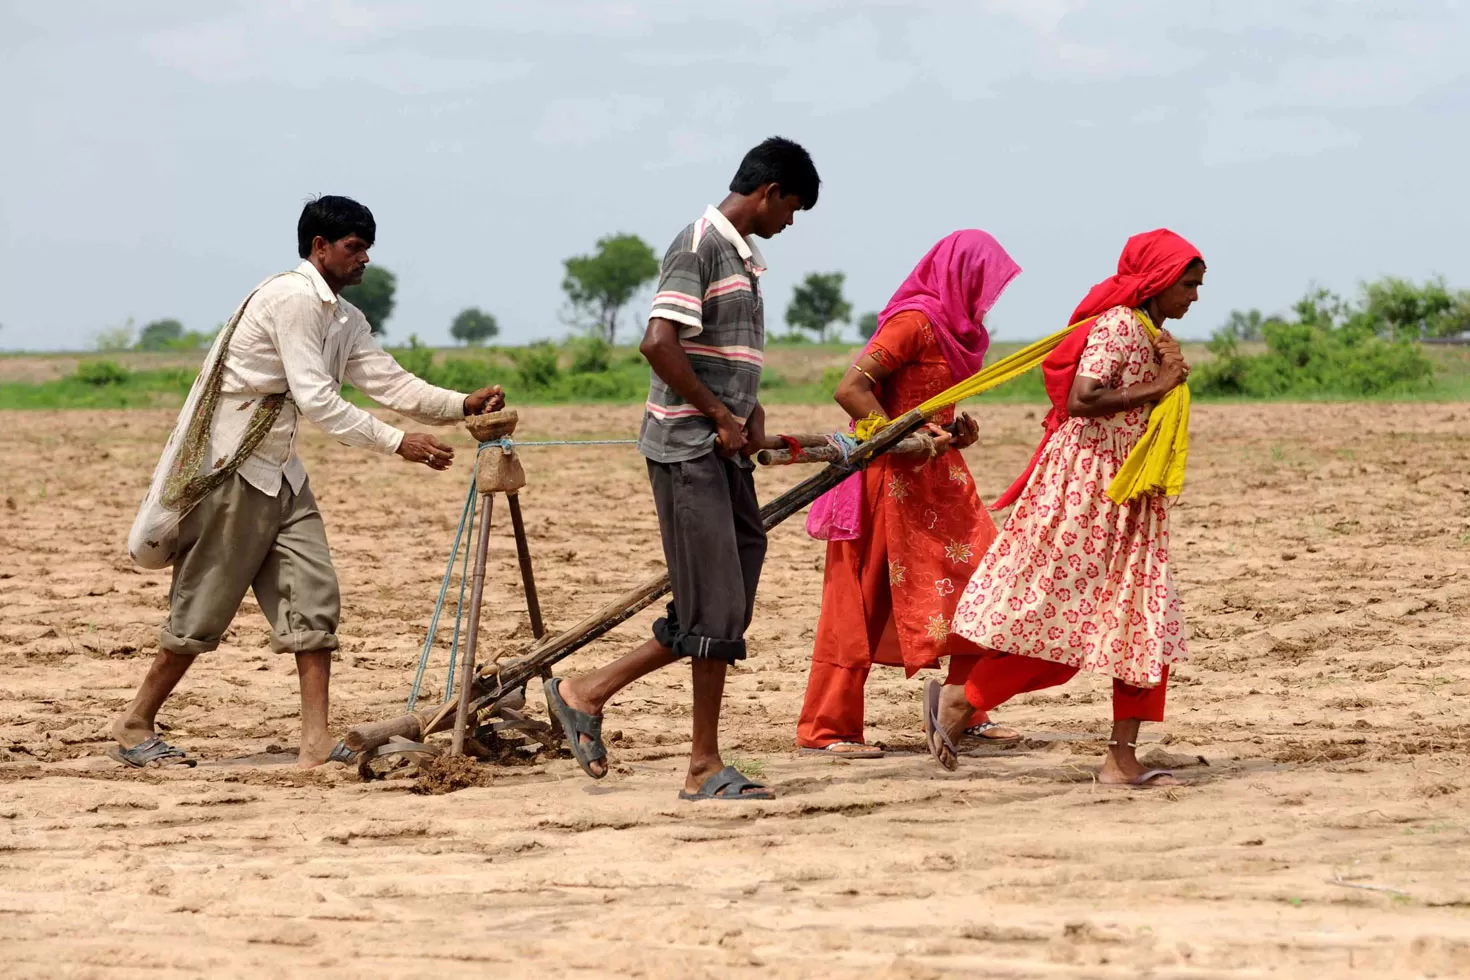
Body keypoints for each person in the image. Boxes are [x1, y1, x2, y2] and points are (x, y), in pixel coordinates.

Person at [115, 195, 505, 769]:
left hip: (279, 474)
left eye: (367, 248)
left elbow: (387, 380)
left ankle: (314, 741)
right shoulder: (293, 301)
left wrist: (460, 404)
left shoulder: (342, 319)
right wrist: (401, 443)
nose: (364, 258)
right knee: (203, 607)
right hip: (233, 471)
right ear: (319, 247)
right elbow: (317, 400)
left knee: (313, 598)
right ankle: (134, 723)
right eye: (354, 247)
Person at [544, 137, 820, 801]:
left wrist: (748, 412)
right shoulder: (699, 244)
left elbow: (721, 354)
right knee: (715, 607)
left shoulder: (745, 262)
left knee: (722, 603)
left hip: (722, 448)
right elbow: (658, 343)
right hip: (688, 450)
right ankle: (702, 765)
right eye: (794, 208)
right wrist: (720, 418)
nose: (792, 223)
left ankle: (587, 690)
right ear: (769, 192)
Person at [934, 229, 1204, 787]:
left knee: (1140, 623)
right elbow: (1083, 400)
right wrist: (1156, 386)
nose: (1195, 297)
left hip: (1129, 494)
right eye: (1189, 284)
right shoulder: (1118, 326)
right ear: (1159, 280)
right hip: (1090, 493)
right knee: (1072, 623)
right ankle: (965, 702)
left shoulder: (1150, 332)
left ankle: (1118, 757)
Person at [795, 230, 1023, 759]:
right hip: (885, 481)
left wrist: (953, 433)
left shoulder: (958, 333)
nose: (988, 296)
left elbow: (931, 406)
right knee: (861, 600)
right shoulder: (913, 323)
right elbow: (850, 390)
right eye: (984, 283)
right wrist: (900, 437)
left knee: (982, 585)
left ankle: (965, 706)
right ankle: (827, 729)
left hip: (940, 481)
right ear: (958, 275)